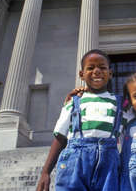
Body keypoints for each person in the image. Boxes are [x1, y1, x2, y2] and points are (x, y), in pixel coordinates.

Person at [36, 49, 126, 191]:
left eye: (102, 67)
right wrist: (45, 172)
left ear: (110, 73)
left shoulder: (120, 104)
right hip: (75, 165)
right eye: (90, 68)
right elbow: (60, 136)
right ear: (81, 75)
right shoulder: (73, 102)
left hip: (109, 167)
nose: (97, 71)